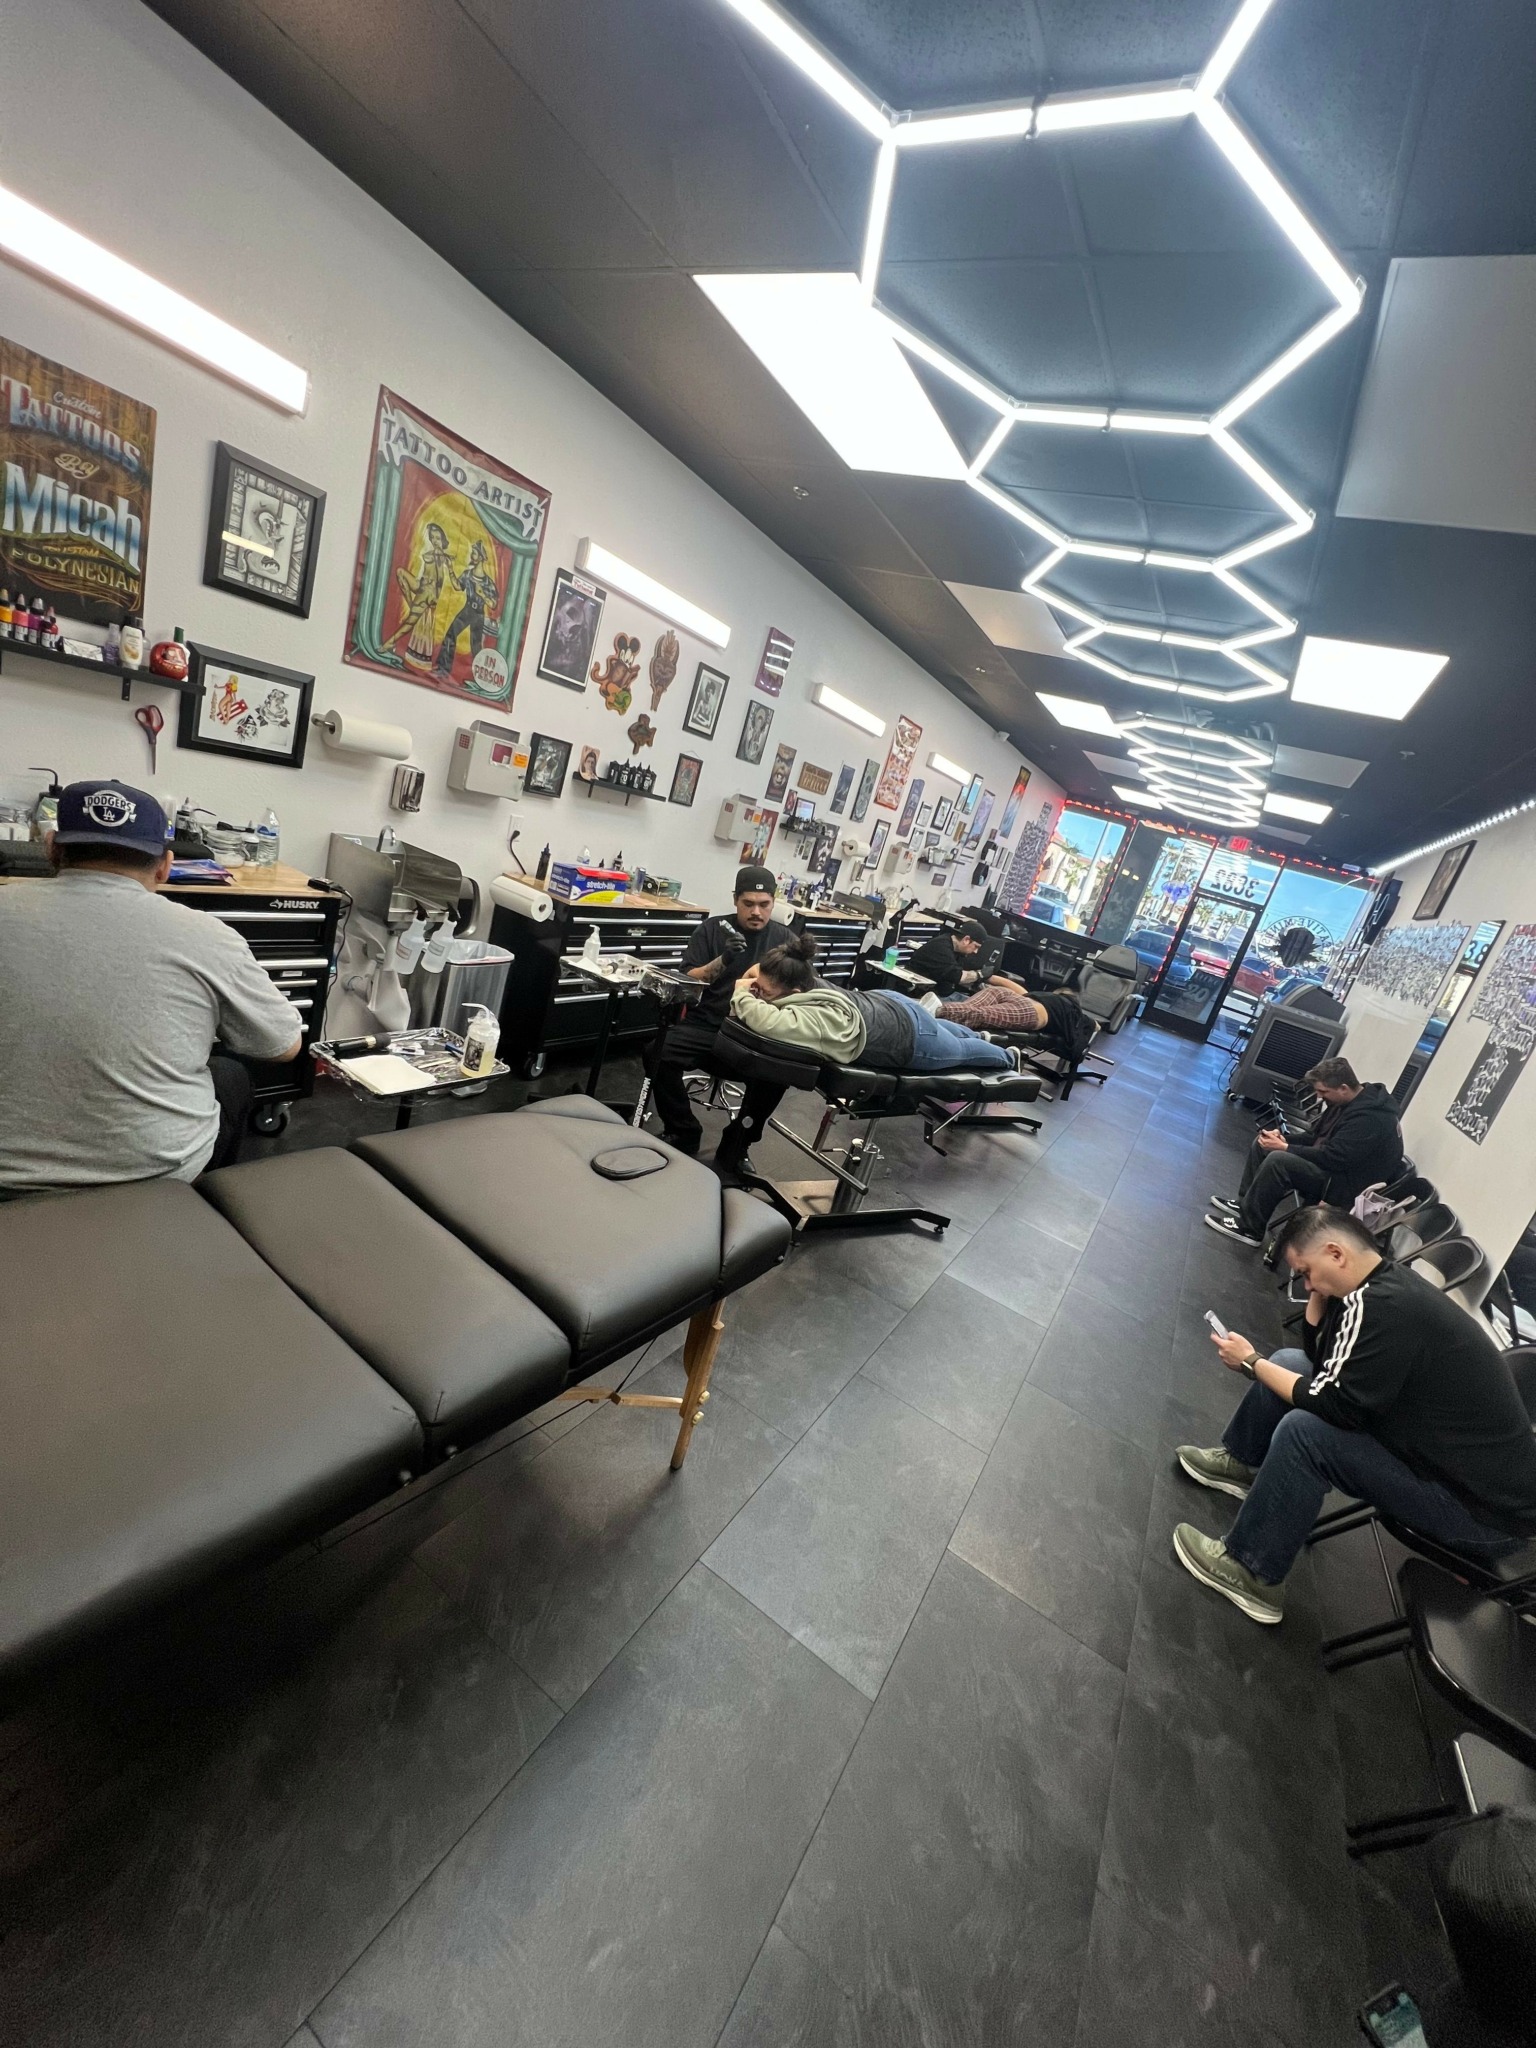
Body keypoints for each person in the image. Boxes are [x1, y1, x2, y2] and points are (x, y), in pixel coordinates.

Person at [1172, 1204, 1536, 1626]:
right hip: (1441, 1465)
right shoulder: (1376, 1285)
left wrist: (1252, 1363)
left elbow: (1331, 1404)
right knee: (1289, 1363)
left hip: (1482, 1515)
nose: (1306, 1283)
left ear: (1336, 1253)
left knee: (1305, 1434)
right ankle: (1243, 1464)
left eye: (1307, 1272)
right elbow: (1321, 1362)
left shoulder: (1385, 1305)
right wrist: (1318, 1294)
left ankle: (1252, 1573)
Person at [0, 780, 303, 1197]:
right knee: (229, 1075)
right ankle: (199, 1211)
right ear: (165, 866)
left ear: (50, 848)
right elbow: (282, 1046)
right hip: (151, 1174)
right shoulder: (206, 936)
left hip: (7, 1182)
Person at [648, 865, 786, 1166]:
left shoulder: (784, 940)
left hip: (755, 1034)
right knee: (657, 1052)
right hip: (708, 1026)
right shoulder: (712, 930)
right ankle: (682, 1130)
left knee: (781, 1074)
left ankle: (737, 1144)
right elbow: (688, 981)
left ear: (773, 903)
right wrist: (724, 959)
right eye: (748, 903)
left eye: (764, 904)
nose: (756, 912)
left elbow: (800, 991)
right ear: (735, 900)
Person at [730, 933, 1019, 1074]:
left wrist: (741, 992)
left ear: (793, 992)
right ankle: (982, 1035)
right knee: (943, 1030)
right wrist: (756, 979)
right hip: (887, 1001)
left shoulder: (817, 1016)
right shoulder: (805, 977)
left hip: (908, 1036)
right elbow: (762, 972)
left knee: (962, 1051)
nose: (759, 994)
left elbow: (768, 1021)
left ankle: (1009, 1057)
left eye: (764, 992)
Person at [1204, 1056, 1403, 1246]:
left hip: (1347, 1185)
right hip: (1335, 1167)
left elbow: (1334, 1158)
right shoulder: (1346, 1102)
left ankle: (1250, 1229)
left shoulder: (1370, 1119)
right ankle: (1245, 1205)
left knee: (1278, 1161)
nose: (1319, 1096)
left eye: (1323, 1092)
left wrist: (1286, 1148)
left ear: (1343, 1088)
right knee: (1263, 1143)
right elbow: (1314, 1137)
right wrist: (1283, 1139)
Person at [906, 918, 989, 999]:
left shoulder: (955, 948)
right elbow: (959, 977)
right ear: (966, 940)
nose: (975, 951)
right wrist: (980, 974)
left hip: (943, 993)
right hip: (925, 996)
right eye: (976, 946)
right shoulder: (941, 948)